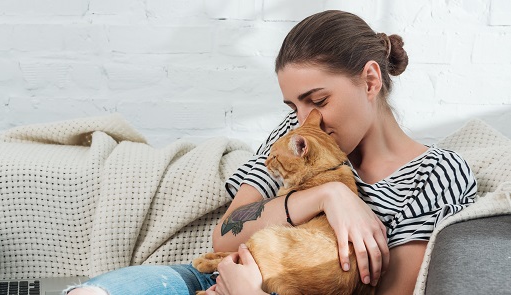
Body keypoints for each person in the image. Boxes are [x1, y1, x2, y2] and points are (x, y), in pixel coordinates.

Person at [67, 10, 477, 295]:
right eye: (293, 107)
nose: (303, 118)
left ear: (370, 80)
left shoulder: (435, 176)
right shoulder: (297, 136)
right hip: (212, 277)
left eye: (317, 99)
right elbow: (227, 235)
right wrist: (327, 196)